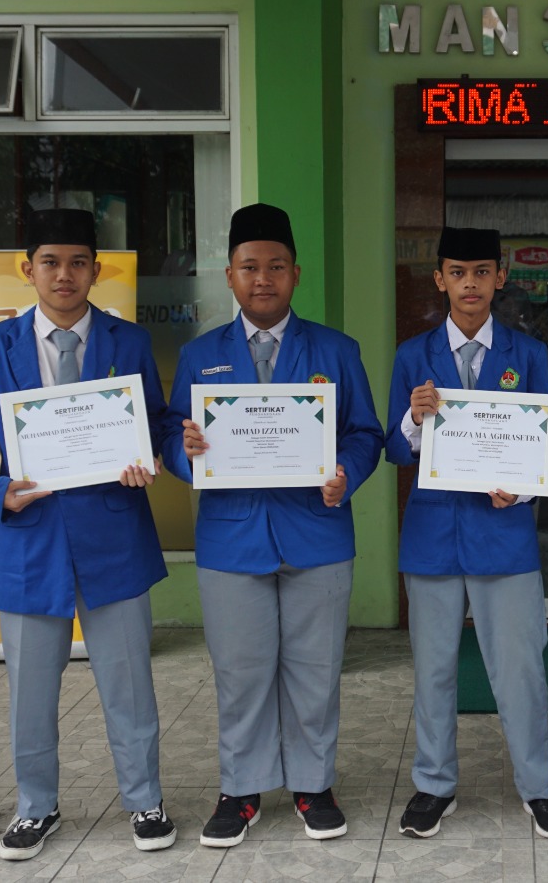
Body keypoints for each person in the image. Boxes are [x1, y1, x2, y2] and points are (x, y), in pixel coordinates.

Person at [0, 208, 178, 860]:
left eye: (78, 262)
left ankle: (145, 801)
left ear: (96, 270)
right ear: (28, 270)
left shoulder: (129, 341)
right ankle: (35, 807)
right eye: (50, 262)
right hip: (31, 537)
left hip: (115, 536)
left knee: (129, 684)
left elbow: (155, 420)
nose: (64, 275)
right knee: (30, 691)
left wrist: (149, 456)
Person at [163, 204, 383, 844]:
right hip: (231, 538)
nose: (264, 279)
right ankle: (242, 788)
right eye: (250, 267)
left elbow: (365, 433)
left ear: (296, 274)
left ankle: (313, 784)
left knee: (316, 668)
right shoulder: (201, 354)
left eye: (277, 266)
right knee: (241, 671)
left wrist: (345, 471)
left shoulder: (335, 350)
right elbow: (171, 433)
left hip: (317, 532)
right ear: (229, 275)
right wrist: (185, 451)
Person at [385, 226, 548, 840]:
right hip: (433, 535)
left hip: (504, 534)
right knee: (434, 670)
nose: (471, 283)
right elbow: (394, 448)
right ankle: (433, 784)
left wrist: (521, 489)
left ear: (500, 278)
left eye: (482, 272)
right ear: (439, 278)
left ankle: (539, 787)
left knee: (520, 671)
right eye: (458, 272)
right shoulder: (413, 355)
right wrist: (414, 420)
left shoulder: (529, 353)